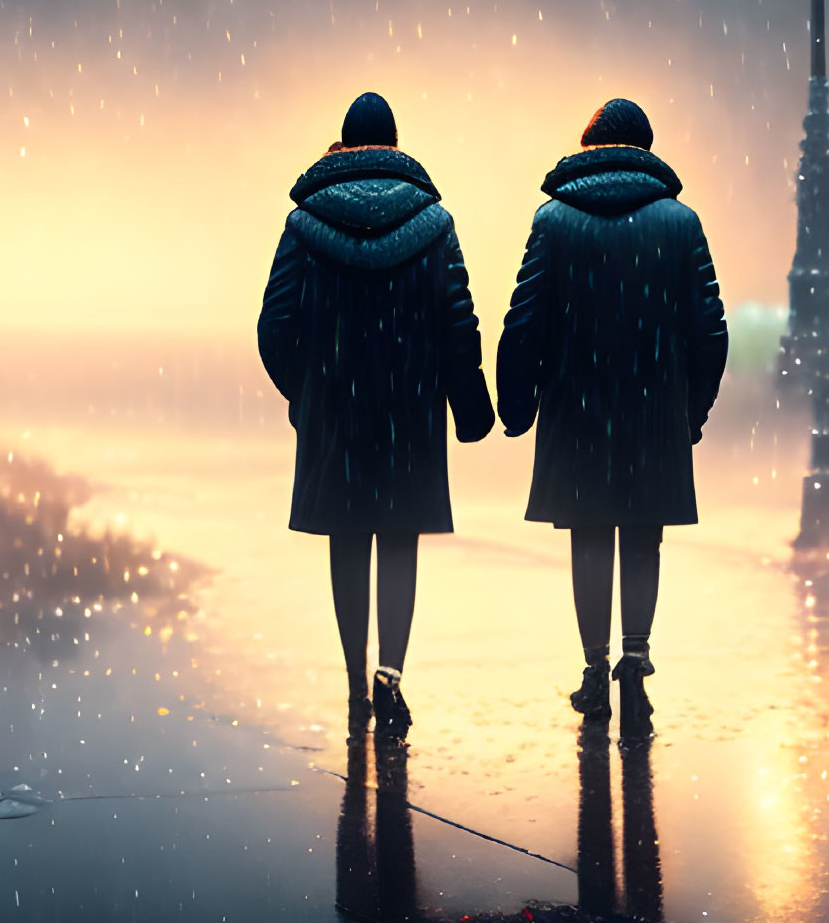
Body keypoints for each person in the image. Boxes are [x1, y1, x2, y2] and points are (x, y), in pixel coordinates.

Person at [259, 91, 494, 736]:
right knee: (397, 543)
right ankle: (392, 674)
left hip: (335, 408)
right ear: (395, 145)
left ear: (342, 144)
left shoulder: (305, 225)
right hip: (409, 413)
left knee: (346, 541)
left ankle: (354, 680)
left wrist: (302, 392)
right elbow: (458, 322)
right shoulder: (434, 224)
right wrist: (469, 405)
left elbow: (273, 325)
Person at [496, 98, 727, 736]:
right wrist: (691, 412)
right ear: (647, 152)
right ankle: (636, 659)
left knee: (590, 535)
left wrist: (517, 405)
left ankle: (594, 671)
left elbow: (525, 320)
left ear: (589, 146)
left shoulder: (554, 220)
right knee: (643, 535)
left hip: (576, 409)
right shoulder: (681, 223)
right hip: (654, 411)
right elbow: (710, 330)